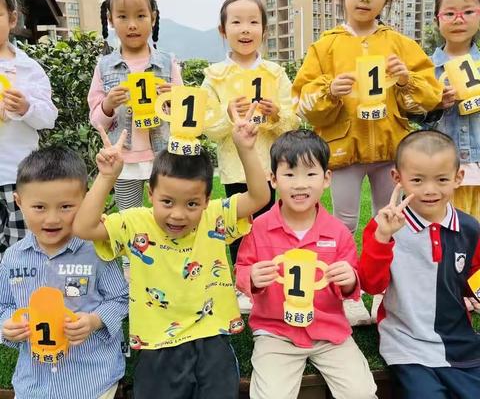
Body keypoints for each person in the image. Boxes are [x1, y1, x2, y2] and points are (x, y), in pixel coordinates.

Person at [72, 102, 271, 399]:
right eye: (167, 202)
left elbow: (259, 196)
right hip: (157, 346)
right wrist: (107, 177)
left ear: (206, 200)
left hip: (212, 338)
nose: (178, 215)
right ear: (150, 194)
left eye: (191, 203)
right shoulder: (134, 222)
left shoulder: (213, 217)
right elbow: (84, 228)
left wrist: (245, 149)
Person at [292, 0, 442, 236]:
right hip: (343, 150)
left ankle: (386, 279)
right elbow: (302, 101)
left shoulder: (400, 44)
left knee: (390, 218)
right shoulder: (325, 46)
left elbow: (430, 95)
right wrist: (330, 91)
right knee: (344, 222)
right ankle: (344, 278)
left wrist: (404, 80)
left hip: (390, 149)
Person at [235, 130, 377, 399]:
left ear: (326, 179)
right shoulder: (259, 228)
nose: (300, 184)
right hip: (276, 333)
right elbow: (241, 269)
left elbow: (353, 283)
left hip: (330, 332)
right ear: (273, 179)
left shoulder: (338, 232)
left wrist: (349, 279)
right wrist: (251, 276)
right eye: (289, 175)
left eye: (310, 174)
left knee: (361, 393)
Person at [359, 130, 480, 399]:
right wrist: (382, 237)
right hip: (405, 342)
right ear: (397, 179)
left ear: (458, 178)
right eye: (417, 180)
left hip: (460, 342)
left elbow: (475, 276)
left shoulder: (470, 228)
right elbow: (370, 283)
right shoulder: (385, 227)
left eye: (441, 180)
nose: (429, 190)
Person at [0, 147, 128, 399]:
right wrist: (7, 325)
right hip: (33, 384)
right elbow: (3, 304)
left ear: (85, 201)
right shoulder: (13, 257)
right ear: (19, 202)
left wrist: (94, 321)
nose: (52, 219)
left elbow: (121, 298)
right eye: (39, 207)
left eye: (66, 206)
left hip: (92, 381)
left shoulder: (96, 251)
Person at [202, 0, 299, 265]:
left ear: (264, 30)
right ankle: (242, 278)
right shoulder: (214, 77)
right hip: (234, 169)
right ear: (223, 30)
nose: (245, 29)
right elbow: (207, 125)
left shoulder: (275, 73)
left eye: (253, 22)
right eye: (236, 22)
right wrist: (229, 114)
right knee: (238, 224)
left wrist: (277, 114)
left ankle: (270, 276)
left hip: (269, 167)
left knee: (269, 224)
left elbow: (293, 120)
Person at [88, 0, 183, 212]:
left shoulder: (166, 63)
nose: (132, 25)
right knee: (129, 222)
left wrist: (174, 99)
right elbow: (96, 120)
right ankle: (131, 251)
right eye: (122, 16)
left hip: (163, 157)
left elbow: (185, 115)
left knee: (165, 217)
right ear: (110, 19)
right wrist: (108, 104)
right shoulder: (105, 66)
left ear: (153, 17)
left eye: (140, 16)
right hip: (124, 162)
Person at [0, 0, 57, 259]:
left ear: (12, 19)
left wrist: (26, 108)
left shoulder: (27, 68)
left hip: (17, 176)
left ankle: (19, 300)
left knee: (20, 251)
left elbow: (48, 117)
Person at [417, 0, 480, 221]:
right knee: (444, 234)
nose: (458, 19)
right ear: (437, 19)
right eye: (450, 13)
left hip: (477, 169)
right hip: (441, 173)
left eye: (468, 12)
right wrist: (435, 105)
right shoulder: (425, 69)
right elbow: (415, 120)